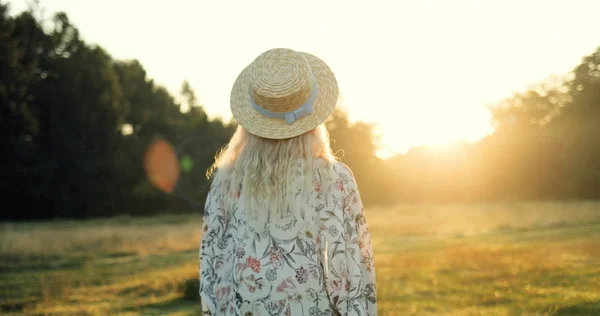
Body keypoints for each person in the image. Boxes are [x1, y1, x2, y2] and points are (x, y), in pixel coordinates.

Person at [199, 48, 377, 315]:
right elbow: (350, 268)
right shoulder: (334, 179)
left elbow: (213, 272)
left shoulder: (226, 182)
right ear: (314, 118)